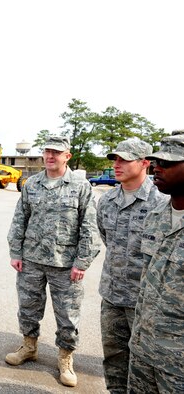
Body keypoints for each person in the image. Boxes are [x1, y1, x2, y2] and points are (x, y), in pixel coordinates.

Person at [6, 135, 99, 387]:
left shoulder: (81, 187)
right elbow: (19, 219)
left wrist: (82, 261)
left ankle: (65, 358)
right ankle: (29, 346)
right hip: (31, 260)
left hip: (66, 264)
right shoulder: (31, 184)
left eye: (56, 153)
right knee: (28, 307)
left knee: (68, 314)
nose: (50, 156)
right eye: (47, 151)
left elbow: (90, 228)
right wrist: (16, 251)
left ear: (66, 156)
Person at [96, 138, 168, 393]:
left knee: (146, 366)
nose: (117, 164)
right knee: (114, 357)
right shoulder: (106, 201)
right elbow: (107, 239)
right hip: (113, 295)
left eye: (124, 159)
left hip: (146, 301)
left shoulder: (161, 202)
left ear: (145, 163)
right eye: (115, 159)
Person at [128, 132, 184, 393]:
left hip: (178, 365)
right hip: (142, 350)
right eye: (156, 161)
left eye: (169, 163)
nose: (157, 167)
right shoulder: (156, 214)